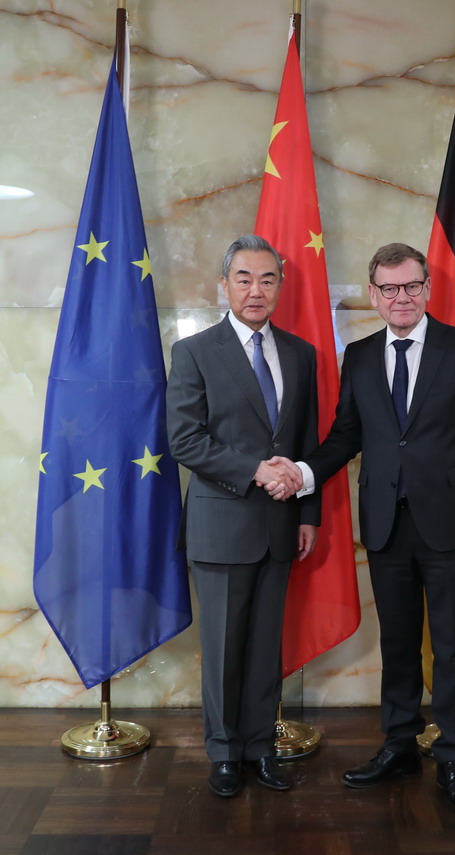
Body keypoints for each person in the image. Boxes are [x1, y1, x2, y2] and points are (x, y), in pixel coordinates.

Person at [265, 242, 455, 812]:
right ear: (373, 295)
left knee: (451, 647)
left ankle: (452, 756)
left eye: (412, 286)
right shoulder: (360, 355)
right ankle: (399, 744)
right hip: (385, 526)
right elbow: (347, 435)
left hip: (452, 527)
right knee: (398, 644)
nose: (402, 297)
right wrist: (303, 473)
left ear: (428, 289)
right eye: (390, 288)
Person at [166, 234, 320, 797]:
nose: (256, 290)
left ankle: (259, 748)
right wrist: (255, 470)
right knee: (224, 649)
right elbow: (185, 440)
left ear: (280, 286)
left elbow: (306, 440)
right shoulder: (195, 352)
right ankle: (224, 752)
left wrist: (308, 514)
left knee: (263, 648)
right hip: (221, 525)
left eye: (267, 279)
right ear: (223, 286)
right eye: (244, 278)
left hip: (281, 526)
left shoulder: (301, 354)